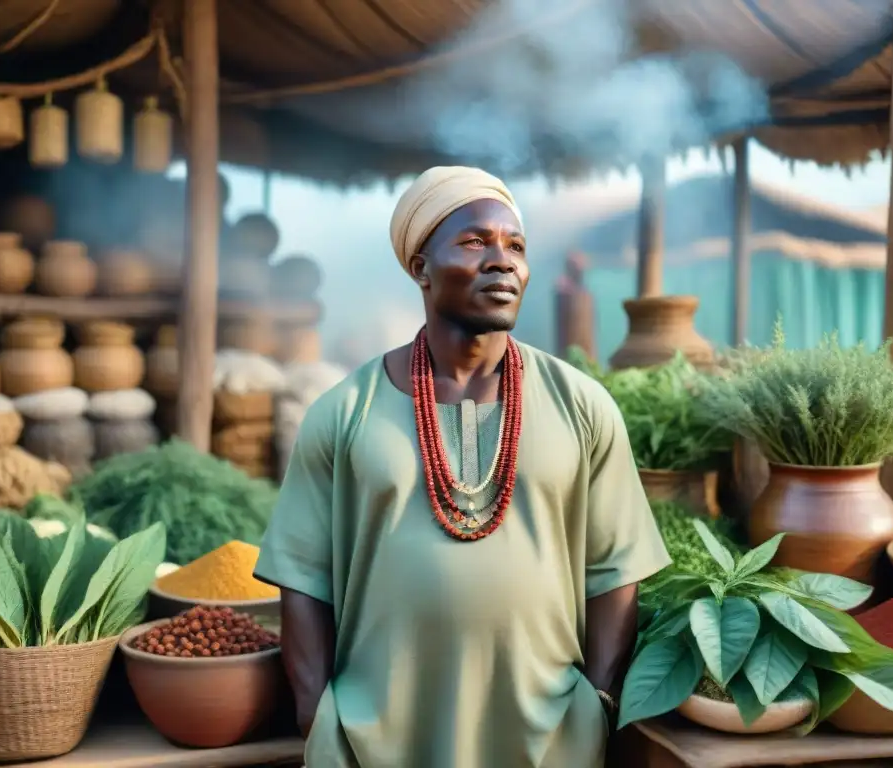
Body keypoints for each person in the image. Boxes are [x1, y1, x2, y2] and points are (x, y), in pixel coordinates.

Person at [254, 166, 671, 768]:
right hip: (376, 744)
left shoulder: (582, 406)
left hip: (550, 741)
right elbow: (303, 580)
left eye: (516, 246)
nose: (502, 260)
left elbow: (614, 572)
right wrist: (319, 718)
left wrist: (598, 706)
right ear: (420, 267)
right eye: (475, 241)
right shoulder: (345, 412)